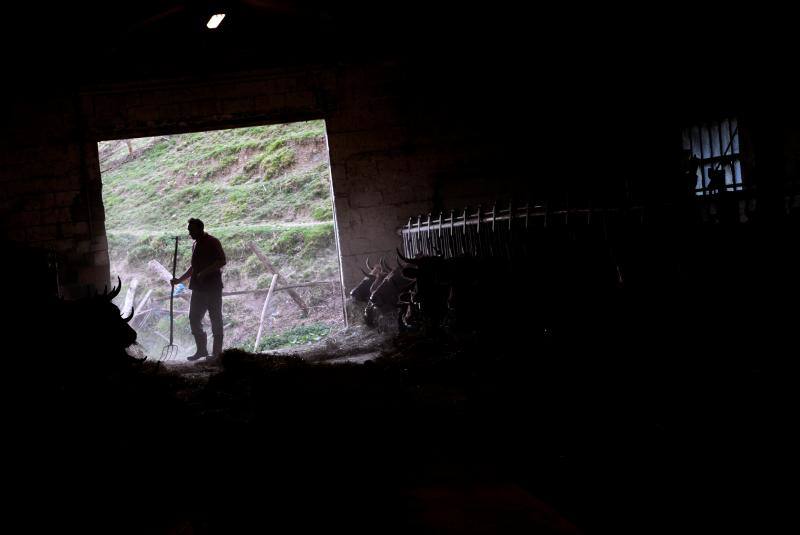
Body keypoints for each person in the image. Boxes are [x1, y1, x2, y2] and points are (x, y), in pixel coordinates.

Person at [171, 218, 227, 362]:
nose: (189, 233)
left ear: (200, 229)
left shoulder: (213, 242)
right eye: (189, 230)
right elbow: (194, 267)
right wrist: (179, 280)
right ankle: (201, 350)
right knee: (194, 318)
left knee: (216, 319)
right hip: (198, 289)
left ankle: (217, 354)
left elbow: (222, 261)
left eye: (191, 230)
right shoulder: (195, 244)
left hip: (213, 288)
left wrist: (205, 272)